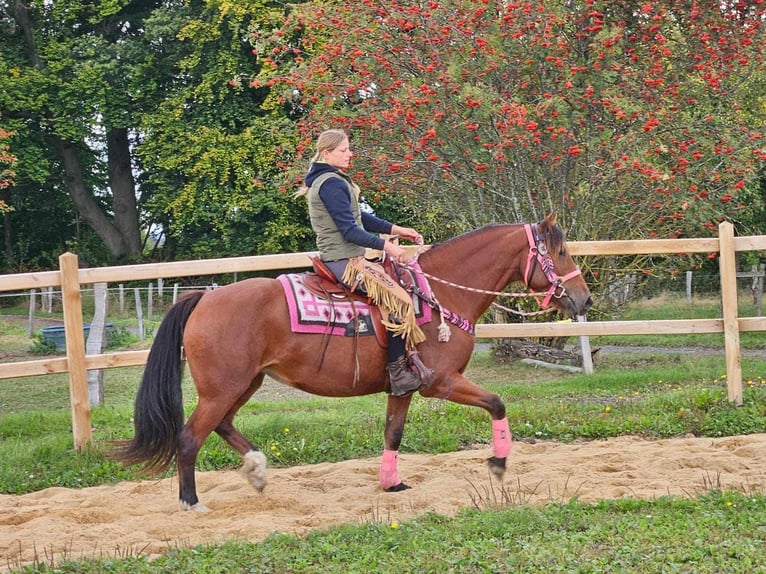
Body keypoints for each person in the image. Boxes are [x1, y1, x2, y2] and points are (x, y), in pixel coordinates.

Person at [297, 128, 429, 396]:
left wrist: (397, 229)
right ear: (327, 153)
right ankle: (398, 372)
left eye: (349, 149)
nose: (350, 154)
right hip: (345, 260)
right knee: (400, 300)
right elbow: (349, 230)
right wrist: (388, 247)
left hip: (347, 256)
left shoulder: (328, 179)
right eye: (344, 150)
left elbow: (360, 219)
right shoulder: (331, 183)